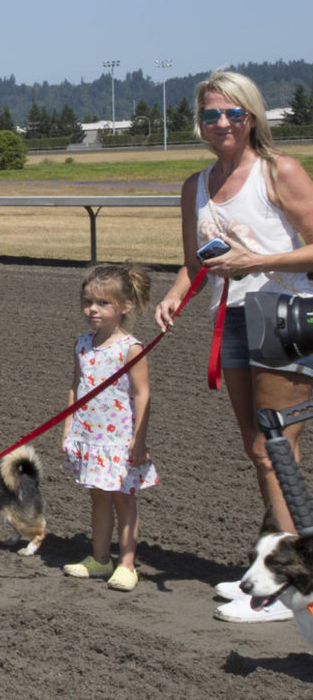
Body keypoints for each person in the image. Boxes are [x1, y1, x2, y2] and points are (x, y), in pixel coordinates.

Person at [154, 70, 313, 624]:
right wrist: (177, 293)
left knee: (276, 452)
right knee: (258, 450)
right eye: (210, 115)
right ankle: (268, 571)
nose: (221, 123)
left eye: (232, 113)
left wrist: (256, 261)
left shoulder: (279, 172)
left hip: (283, 314)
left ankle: (290, 585)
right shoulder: (195, 186)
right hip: (233, 316)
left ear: (251, 117)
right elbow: (196, 260)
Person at [61, 263, 157, 593]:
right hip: (90, 436)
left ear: (125, 307)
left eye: (103, 303)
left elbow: (143, 393)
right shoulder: (82, 344)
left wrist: (138, 439)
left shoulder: (129, 347)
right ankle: (100, 558)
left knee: (124, 501)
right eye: (88, 302)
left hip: (119, 439)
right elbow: (75, 387)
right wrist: (68, 428)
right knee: (99, 499)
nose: (92, 309)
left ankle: (127, 563)